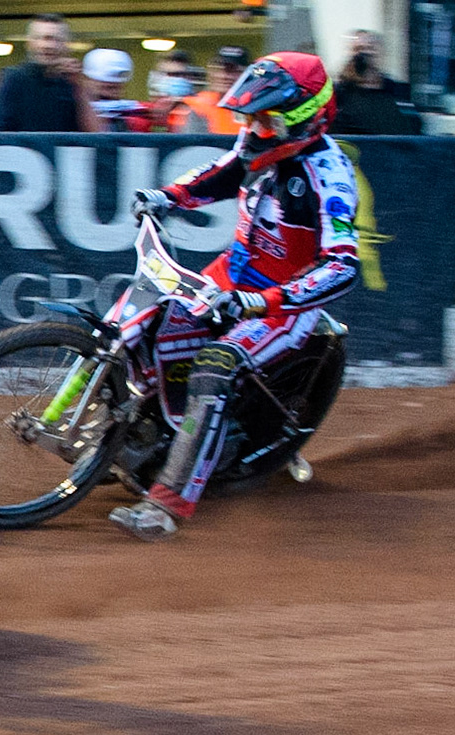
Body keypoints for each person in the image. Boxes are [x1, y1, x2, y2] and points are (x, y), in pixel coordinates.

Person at [108, 52, 359, 541]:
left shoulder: (329, 176)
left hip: (283, 304)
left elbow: (342, 266)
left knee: (215, 365)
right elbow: (219, 175)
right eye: (251, 117)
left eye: (266, 117)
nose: (255, 127)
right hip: (228, 276)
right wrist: (167, 197)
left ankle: (166, 507)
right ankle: (136, 438)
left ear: (302, 116)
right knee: (149, 325)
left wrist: (265, 302)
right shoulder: (258, 140)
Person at [0, 14, 99, 132]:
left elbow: (96, 135)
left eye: (55, 39)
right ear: (29, 43)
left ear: (66, 45)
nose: (48, 46)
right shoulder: (12, 79)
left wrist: (79, 87)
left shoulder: (73, 84)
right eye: (41, 38)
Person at [328, 30, 416, 135]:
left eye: (369, 48)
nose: (364, 54)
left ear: (380, 52)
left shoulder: (397, 92)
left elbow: (411, 129)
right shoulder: (338, 94)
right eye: (358, 49)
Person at [178, 45, 251, 135]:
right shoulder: (197, 106)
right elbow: (194, 144)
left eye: (234, 71)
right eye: (219, 70)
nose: (224, 76)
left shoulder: (257, 108)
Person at [81, 48, 151, 132]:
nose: (113, 90)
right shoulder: (75, 111)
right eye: (107, 86)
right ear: (86, 79)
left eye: (116, 86)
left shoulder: (136, 111)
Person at [147, 50, 203, 133]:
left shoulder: (200, 115)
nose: (171, 80)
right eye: (166, 74)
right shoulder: (145, 114)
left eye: (177, 75)